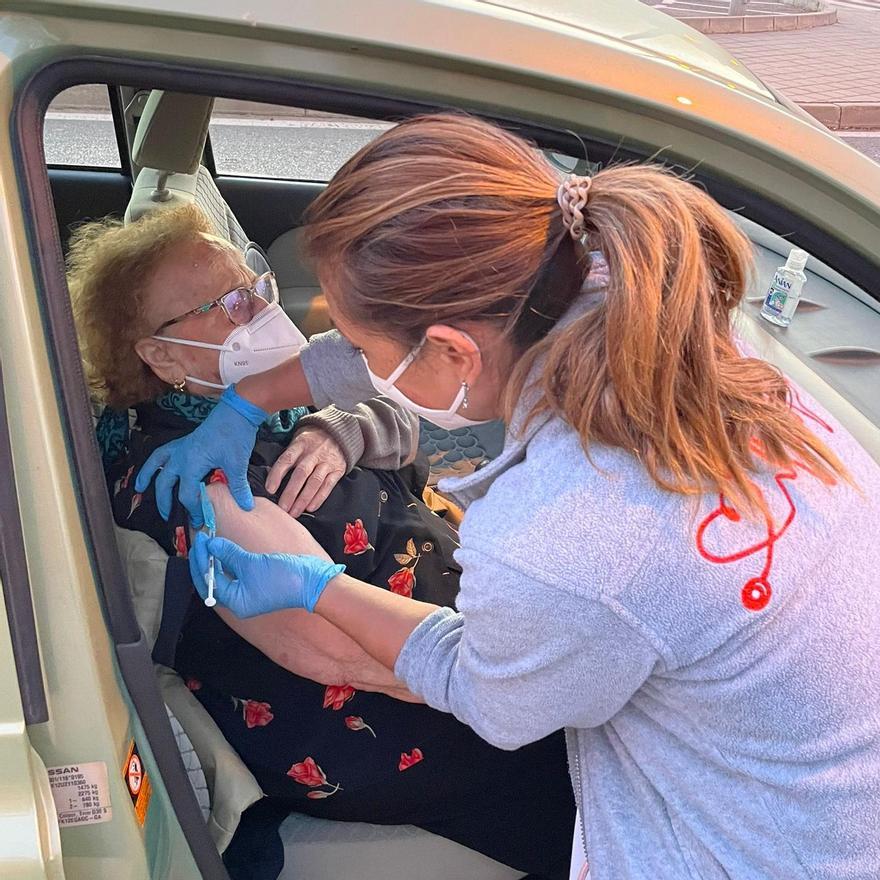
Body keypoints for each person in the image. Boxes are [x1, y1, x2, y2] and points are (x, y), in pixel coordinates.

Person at [137, 114, 880, 880]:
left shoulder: (565, 533)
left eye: (362, 347)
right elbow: (384, 360)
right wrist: (249, 400)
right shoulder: (638, 307)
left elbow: (490, 698)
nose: (344, 358)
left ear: (455, 350)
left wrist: (320, 591)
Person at [67, 204, 576, 880]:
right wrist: (527, 678)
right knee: (583, 783)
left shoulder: (249, 403)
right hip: (396, 712)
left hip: (464, 638)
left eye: (254, 285)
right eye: (227, 304)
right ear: (160, 355)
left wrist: (338, 427)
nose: (258, 308)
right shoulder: (192, 478)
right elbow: (336, 653)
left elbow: (393, 405)